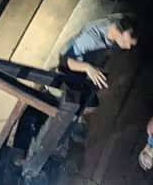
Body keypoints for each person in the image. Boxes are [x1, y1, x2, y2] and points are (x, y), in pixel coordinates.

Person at [57, 14, 138, 142]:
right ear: (117, 31)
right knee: (88, 104)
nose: (128, 47)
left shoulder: (118, 24)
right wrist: (87, 68)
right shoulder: (92, 37)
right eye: (127, 42)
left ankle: (78, 115)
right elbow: (64, 60)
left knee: (93, 99)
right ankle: (71, 122)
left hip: (86, 63)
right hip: (69, 68)